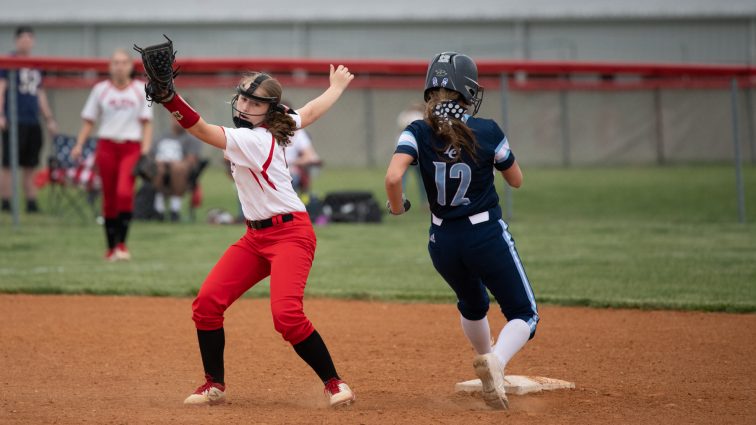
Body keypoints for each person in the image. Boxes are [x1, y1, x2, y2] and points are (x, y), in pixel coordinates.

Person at [135, 38, 356, 407]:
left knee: (286, 316)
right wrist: (335, 88)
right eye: (242, 98)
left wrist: (169, 98)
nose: (244, 105)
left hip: (291, 235)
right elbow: (311, 112)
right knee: (206, 303)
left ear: (268, 113)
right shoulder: (278, 122)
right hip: (255, 237)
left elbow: (202, 130)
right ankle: (213, 384)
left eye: (255, 103)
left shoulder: (254, 139)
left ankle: (334, 383)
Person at [384, 52, 539, 410]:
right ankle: (495, 361)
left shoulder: (417, 130)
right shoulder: (486, 130)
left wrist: (397, 207)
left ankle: (487, 362)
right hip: (484, 233)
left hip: (442, 241)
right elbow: (516, 181)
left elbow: (393, 177)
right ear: (468, 91)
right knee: (524, 313)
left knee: (473, 305)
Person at [71, 48, 153, 261]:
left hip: (131, 146)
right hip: (106, 145)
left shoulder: (139, 89)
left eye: (123, 62)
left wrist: (145, 150)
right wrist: (79, 144)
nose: (119, 66)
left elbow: (147, 123)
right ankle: (110, 248)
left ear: (130, 66)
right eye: (115, 62)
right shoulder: (100, 90)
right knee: (109, 197)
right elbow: (89, 120)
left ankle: (122, 245)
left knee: (124, 193)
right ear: (109, 66)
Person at [0, 25, 58, 213]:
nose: (26, 41)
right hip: (14, 119)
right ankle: (6, 201)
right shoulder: (8, 61)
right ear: (16, 41)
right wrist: (1, 114)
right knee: (9, 163)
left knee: (31, 163)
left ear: (33, 41)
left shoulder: (36, 64)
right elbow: (1, 89)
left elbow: (39, 93)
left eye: (29, 38)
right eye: (22, 38)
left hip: (33, 120)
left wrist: (48, 118)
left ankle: (31, 202)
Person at [150, 117, 202, 222]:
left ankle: (175, 210)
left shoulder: (191, 139)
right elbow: (151, 157)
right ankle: (158, 209)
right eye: (177, 119)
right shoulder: (161, 137)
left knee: (178, 168)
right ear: (172, 119)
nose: (180, 122)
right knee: (158, 168)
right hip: (161, 169)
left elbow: (191, 160)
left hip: (182, 172)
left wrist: (176, 163)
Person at [396, 102, 426, 206]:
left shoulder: (404, 115)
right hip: (419, 151)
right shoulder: (422, 116)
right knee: (422, 178)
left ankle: (398, 201)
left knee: (401, 178)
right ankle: (425, 202)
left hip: (403, 151)